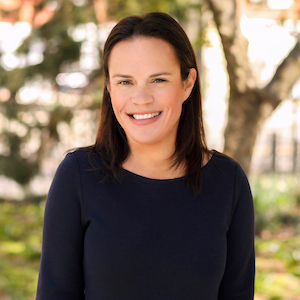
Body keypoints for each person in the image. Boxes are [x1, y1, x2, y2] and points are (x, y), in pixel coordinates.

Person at [36, 12, 255, 300]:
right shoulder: (78, 176)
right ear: (109, 86)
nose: (141, 98)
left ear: (187, 83)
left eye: (158, 80)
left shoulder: (228, 182)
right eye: (125, 81)